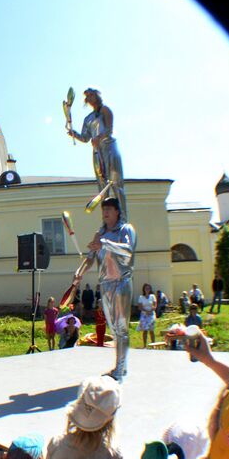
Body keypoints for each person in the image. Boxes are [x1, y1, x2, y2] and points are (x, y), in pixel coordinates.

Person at [87, 198, 136, 381]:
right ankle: (120, 366)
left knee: (122, 328)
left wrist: (104, 244)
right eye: (103, 209)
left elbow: (128, 250)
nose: (105, 212)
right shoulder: (100, 233)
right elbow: (91, 257)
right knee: (114, 330)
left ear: (117, 211)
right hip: (105, 285)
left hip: (121, 282)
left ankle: (120, 369)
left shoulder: (126, 229)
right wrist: (79, 272)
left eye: (108, 209)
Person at [67, 88, 127, 219]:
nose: (90, 98)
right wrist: (74, 134)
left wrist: (99, 138)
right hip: (97, 152)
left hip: (109, 147)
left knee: (116, 183)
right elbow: (85, 138)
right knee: (101, 185)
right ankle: (106, 219)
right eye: (87, 96)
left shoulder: (104, 110)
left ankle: (122, 217)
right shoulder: (88, 118)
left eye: (91, 95)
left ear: (97, 96)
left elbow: (109, 129)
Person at [137, 283, 157, 348]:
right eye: (146, 288)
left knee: (151, 330)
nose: (147, 289)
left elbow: (155, 305)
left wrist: (151, 310)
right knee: (145, 330)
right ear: (144, 289)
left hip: (151, 314)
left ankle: (153, 345)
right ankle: (144, 345)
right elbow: (139, 307)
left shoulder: (152, 296)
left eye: (148, 288)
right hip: (144, 315)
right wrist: (146, 311)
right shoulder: (141, 297)